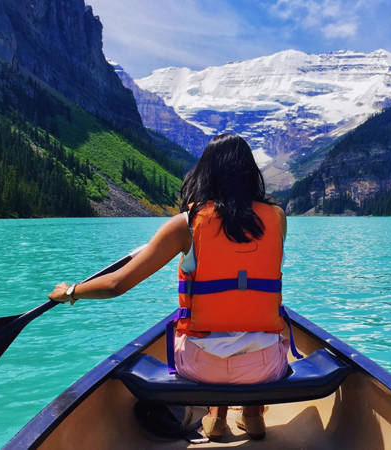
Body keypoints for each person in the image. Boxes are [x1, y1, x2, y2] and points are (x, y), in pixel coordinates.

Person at [48, 134, 291, 441]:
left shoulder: (186, 224)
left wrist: (71, 292)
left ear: (206, 171)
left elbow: (117, 283)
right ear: (250, 173)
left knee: (206, 336)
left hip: (202, 367)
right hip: (263, 367)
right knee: (258, 330)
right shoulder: (277, 219)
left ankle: (215, 416)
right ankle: (253, 415)